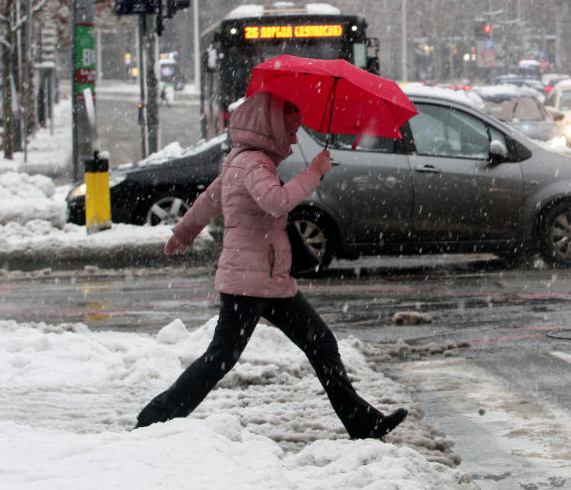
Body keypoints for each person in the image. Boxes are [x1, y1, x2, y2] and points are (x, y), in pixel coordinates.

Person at [135, 91, 407, 441]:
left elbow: (210, 199)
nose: (294, 139)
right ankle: (154, 420)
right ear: (271, 130)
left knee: (320, 342)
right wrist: (313, 174)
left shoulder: (241, 158)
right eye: (291, 132)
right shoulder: (254, 164)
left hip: (268, 278)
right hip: (248, 282)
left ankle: (362, 422)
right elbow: (276, 202)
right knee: (219, 360)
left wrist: (184, 233)